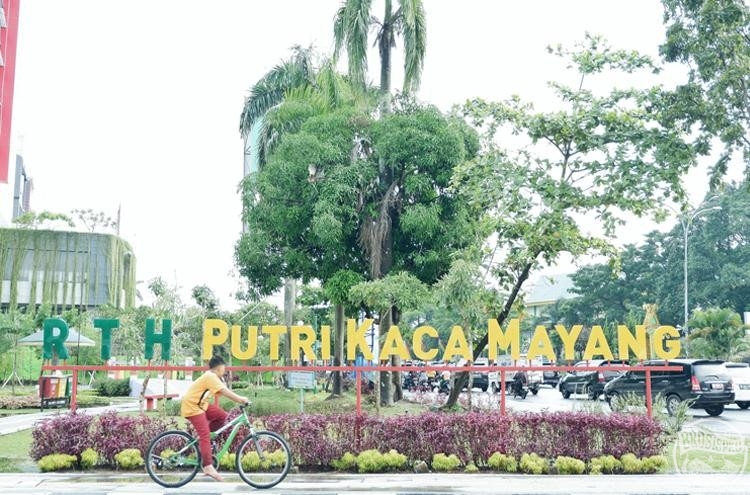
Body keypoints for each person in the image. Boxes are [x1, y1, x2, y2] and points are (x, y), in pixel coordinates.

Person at [181, 355, 248, 482]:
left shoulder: (212, 377)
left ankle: (203, 439)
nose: (225, 371)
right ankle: (208, 466)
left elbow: (220, 390)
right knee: (205, 434)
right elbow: (224, 391)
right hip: (193, 406)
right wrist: (240, 399)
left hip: (201, 405)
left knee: (222, 416)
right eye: (224, 368)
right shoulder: (210, 376)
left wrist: (223, 382)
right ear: (218, 368)